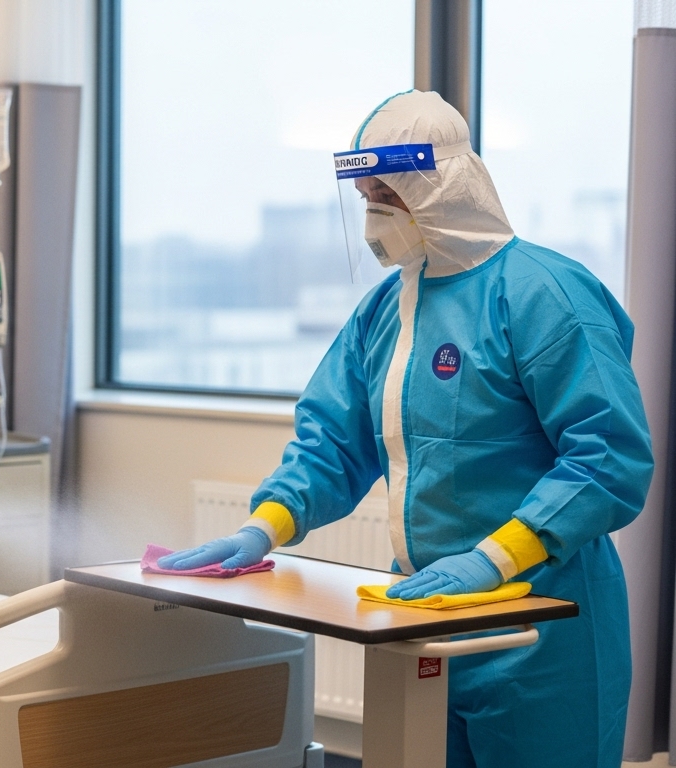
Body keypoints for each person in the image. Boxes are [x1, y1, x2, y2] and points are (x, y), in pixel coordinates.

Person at [159, 90, 652, 767]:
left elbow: (608, 461)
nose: (372, 215)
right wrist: (265, 524)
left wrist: (493, 558)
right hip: (425, 618)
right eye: (363, 196)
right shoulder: (386, 312)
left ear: (439, 186)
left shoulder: (545, 294)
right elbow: (333, 440)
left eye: (384, 195)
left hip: (543, 631)